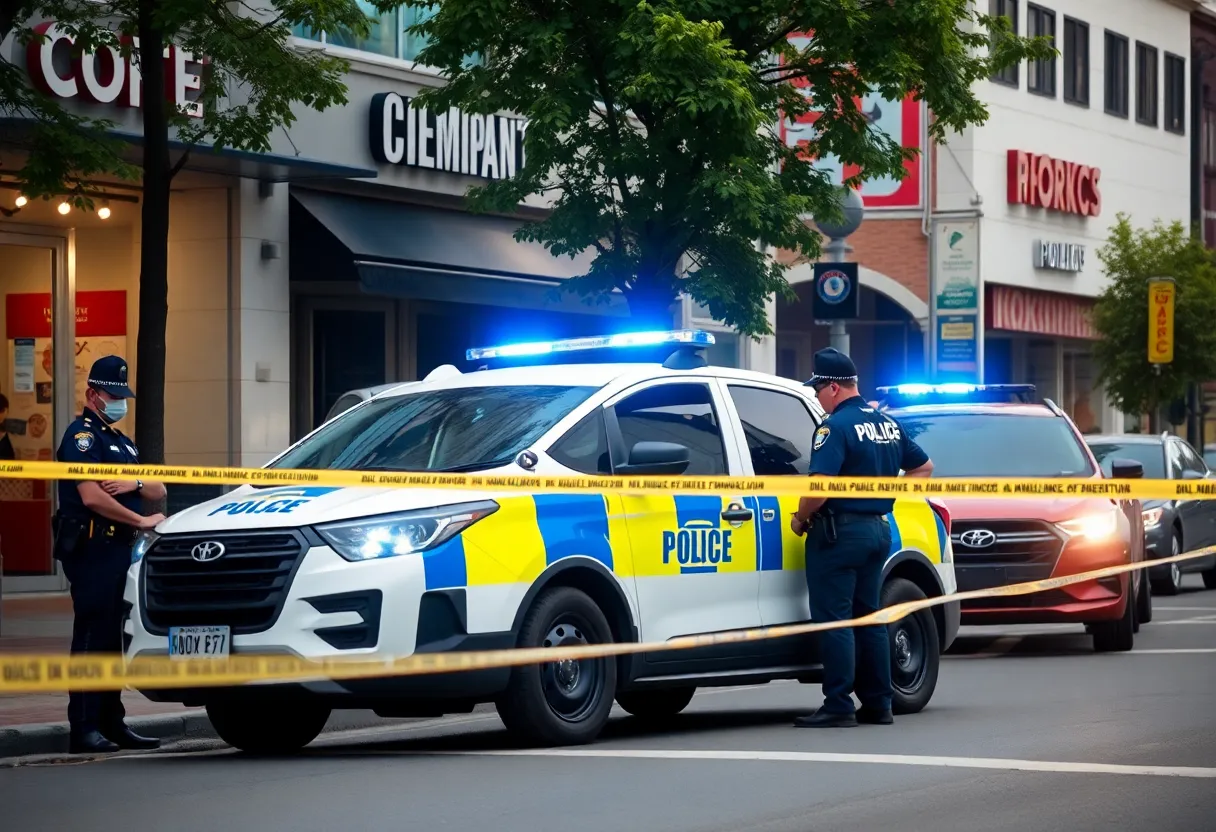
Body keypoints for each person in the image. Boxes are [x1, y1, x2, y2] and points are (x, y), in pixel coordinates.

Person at [789, 347, 934, 728]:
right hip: (878, 529)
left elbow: (818, 488)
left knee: (835, 621)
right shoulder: (886, 423)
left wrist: (801, 519)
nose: (818, 400)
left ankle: (837, 704)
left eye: (818, 392)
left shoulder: (833, 427)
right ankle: (879, 703)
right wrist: (884, 499)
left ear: (833, 387)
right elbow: (924, 467)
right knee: (870, 618)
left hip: (838, 535)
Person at [53, 355, 167, 754]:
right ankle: (83, 727)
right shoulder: (82, 438)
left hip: (119, 549)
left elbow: (159, 488)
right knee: (91, 636)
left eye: (122, 395)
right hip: (92, 548)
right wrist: (141, 519)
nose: (118, 402)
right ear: (91, 394)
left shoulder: (122, 442)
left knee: (111, 639)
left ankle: (111, 722)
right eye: (111, 394)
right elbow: (91, 497)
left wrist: (133, 480)